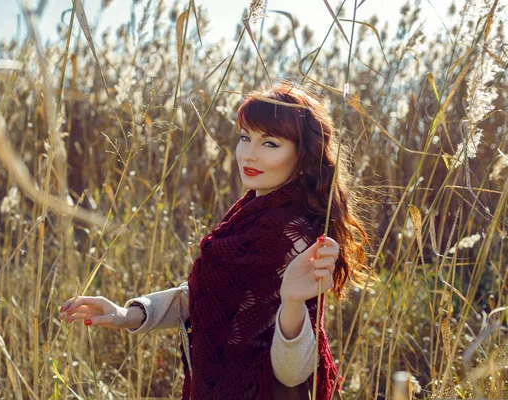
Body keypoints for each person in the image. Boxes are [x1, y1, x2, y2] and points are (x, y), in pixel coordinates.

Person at [59, 81, 371, 400]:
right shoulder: (251, 213)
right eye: (245, 138)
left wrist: (292, 302)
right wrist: (131, 314)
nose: (249, 154)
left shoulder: (294, 234)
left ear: (303, 155)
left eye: (271, 144)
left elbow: (293, 374)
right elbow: (216, 297)